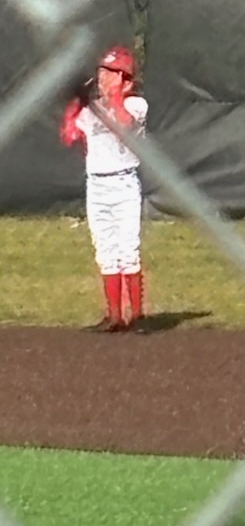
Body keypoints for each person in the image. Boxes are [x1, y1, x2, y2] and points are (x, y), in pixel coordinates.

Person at [60, 45, 149, 332]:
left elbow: (123, 125)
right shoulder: (91, 109)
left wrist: (114, 95)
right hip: (97, 185)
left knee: (128, 250)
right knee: (106, 251)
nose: (103, 76)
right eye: (102, 71)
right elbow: (69, 136)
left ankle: (137, 317)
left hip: (124, 184)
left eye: (111, 72)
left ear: (126, 80)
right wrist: (76, 104)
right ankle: (114, 316)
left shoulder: (136, 105)